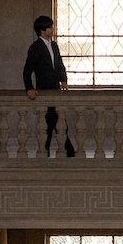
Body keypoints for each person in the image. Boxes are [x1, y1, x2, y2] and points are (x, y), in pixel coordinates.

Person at [23, 14, 75, 157]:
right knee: (51, 122)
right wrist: (29, 88)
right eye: (50, 27)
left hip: (56, 89)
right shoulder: (35, 47)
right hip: (43, 90)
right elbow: (27, 70)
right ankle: (65, 151)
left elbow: (59, 65)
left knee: (56, 120)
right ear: (43, 30)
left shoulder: (54, 45)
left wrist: (63, 80)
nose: (53, 29)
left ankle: (52, 151)